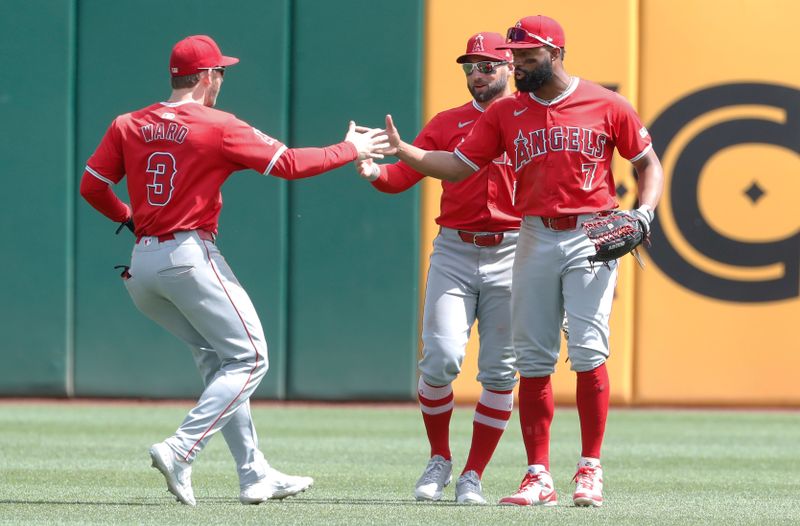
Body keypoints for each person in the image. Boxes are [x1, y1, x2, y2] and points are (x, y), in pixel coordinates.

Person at [79, 34, 387, 506]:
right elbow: (289, 164)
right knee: (251, 359)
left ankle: (253, 474)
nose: (222, 79)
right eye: (220, 71)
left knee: (219, 359)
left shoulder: (128, 123)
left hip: (142, 265)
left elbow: (92, 187)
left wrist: (128, 216)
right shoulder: (216, 125)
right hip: (188, 256)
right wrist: (348, 148)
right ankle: (181, 449)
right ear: (206, 77)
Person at [375, 15, 664, 507]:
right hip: (531, 234)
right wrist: (407, 152)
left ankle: (590, 468)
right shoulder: (506, 113)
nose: (519, 64)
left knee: (590, 350)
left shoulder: (606, 103)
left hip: (591, 232)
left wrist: (644, 213)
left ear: (556, 53)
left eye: (528, 57)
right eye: (517, 56)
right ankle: (537, 475)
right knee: (532, 361)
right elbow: (458, 166)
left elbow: (647, 163)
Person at [356, 32, 517, 505]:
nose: (477, 74)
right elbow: (401, 176)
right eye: (470, 65)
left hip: (514, 250)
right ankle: (440, 457)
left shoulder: (529, 123)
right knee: (442, 357)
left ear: (510, 67)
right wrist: (375, 173)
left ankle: (474, 474)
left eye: (487, 65)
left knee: (500, 371)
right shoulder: (448, 122)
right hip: (456, 250)